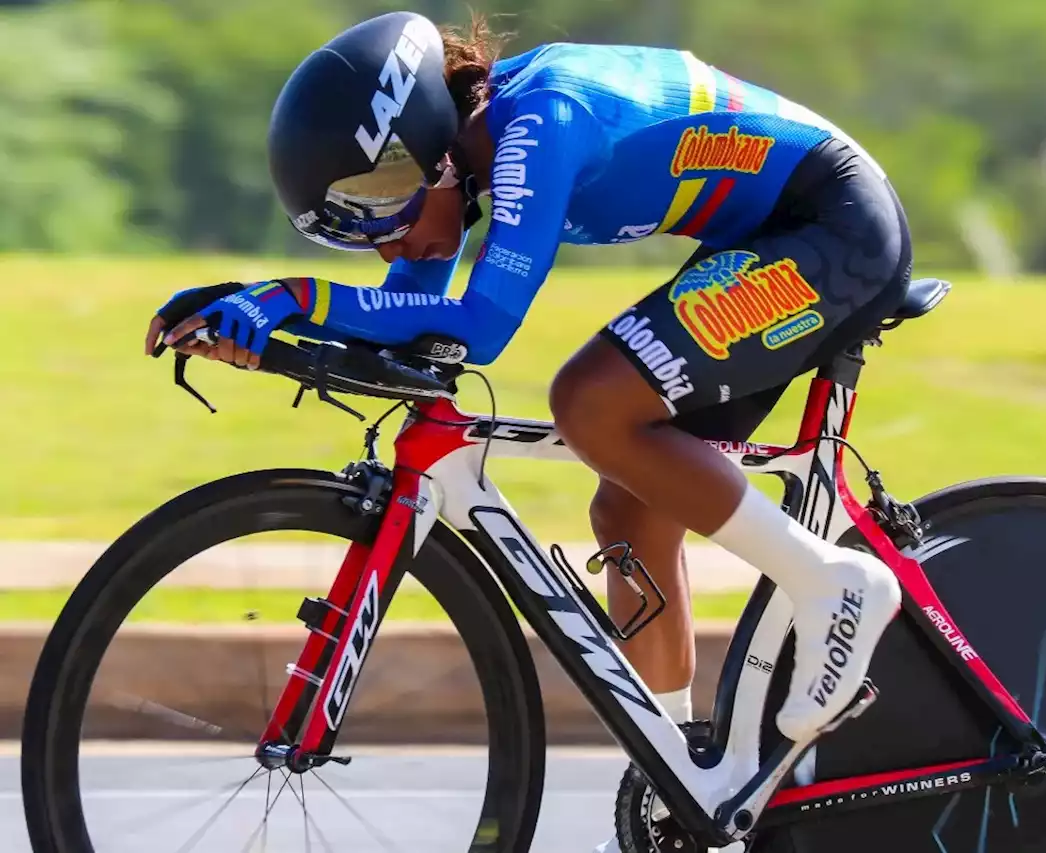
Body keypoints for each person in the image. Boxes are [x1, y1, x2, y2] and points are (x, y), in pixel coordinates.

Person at [145, 11, 908, 846]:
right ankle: (687, 780)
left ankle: (834, 581)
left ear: (432, 149)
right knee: (627, 509)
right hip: (768, 237)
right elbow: (413, 318)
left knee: (590, 402)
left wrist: (295, 298)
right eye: (355, 219)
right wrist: (266, 332)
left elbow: (478, 324)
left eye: (375, 203)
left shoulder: (537, 124)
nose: (380, 238)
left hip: (834, 229)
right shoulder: (455, 162)